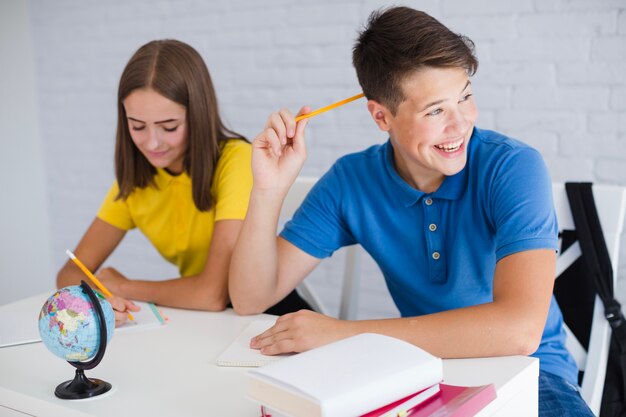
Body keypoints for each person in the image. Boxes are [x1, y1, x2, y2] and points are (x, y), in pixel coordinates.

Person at [229, 7, 593, 416]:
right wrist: (268, 189)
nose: (461, 124)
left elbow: (519, 331)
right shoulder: (351, 180)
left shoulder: (512, 167)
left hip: (533, 374)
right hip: (423, 376)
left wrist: (344, 335)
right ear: (381, 116)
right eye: (435, 110)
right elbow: (250, 297)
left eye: (466, 97)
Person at [57, 39, 310, 327]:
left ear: (197, 115)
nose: (152, 142)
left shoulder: (237, 161)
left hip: (270, 317)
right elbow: (69, 273)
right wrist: (102, 297)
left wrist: (124, 287)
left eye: (169, 127)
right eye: (137, 126)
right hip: (207, 325)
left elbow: (213, 294)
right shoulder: (136, 180)